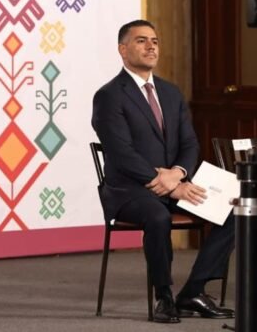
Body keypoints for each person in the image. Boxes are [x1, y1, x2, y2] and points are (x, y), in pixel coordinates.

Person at [91, 19, 235, 323]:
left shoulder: (170, 92)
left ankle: (193, 291)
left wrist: (178, 174)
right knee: (158, 217)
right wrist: (166, 183)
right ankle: (165, 297)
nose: (151, 46)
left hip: (173, 185)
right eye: (141, 40)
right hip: (128, 191)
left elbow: (190, 143)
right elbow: (121, 153)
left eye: (154, 41)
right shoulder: (109, 95)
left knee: (232, 211)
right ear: (123, 49)